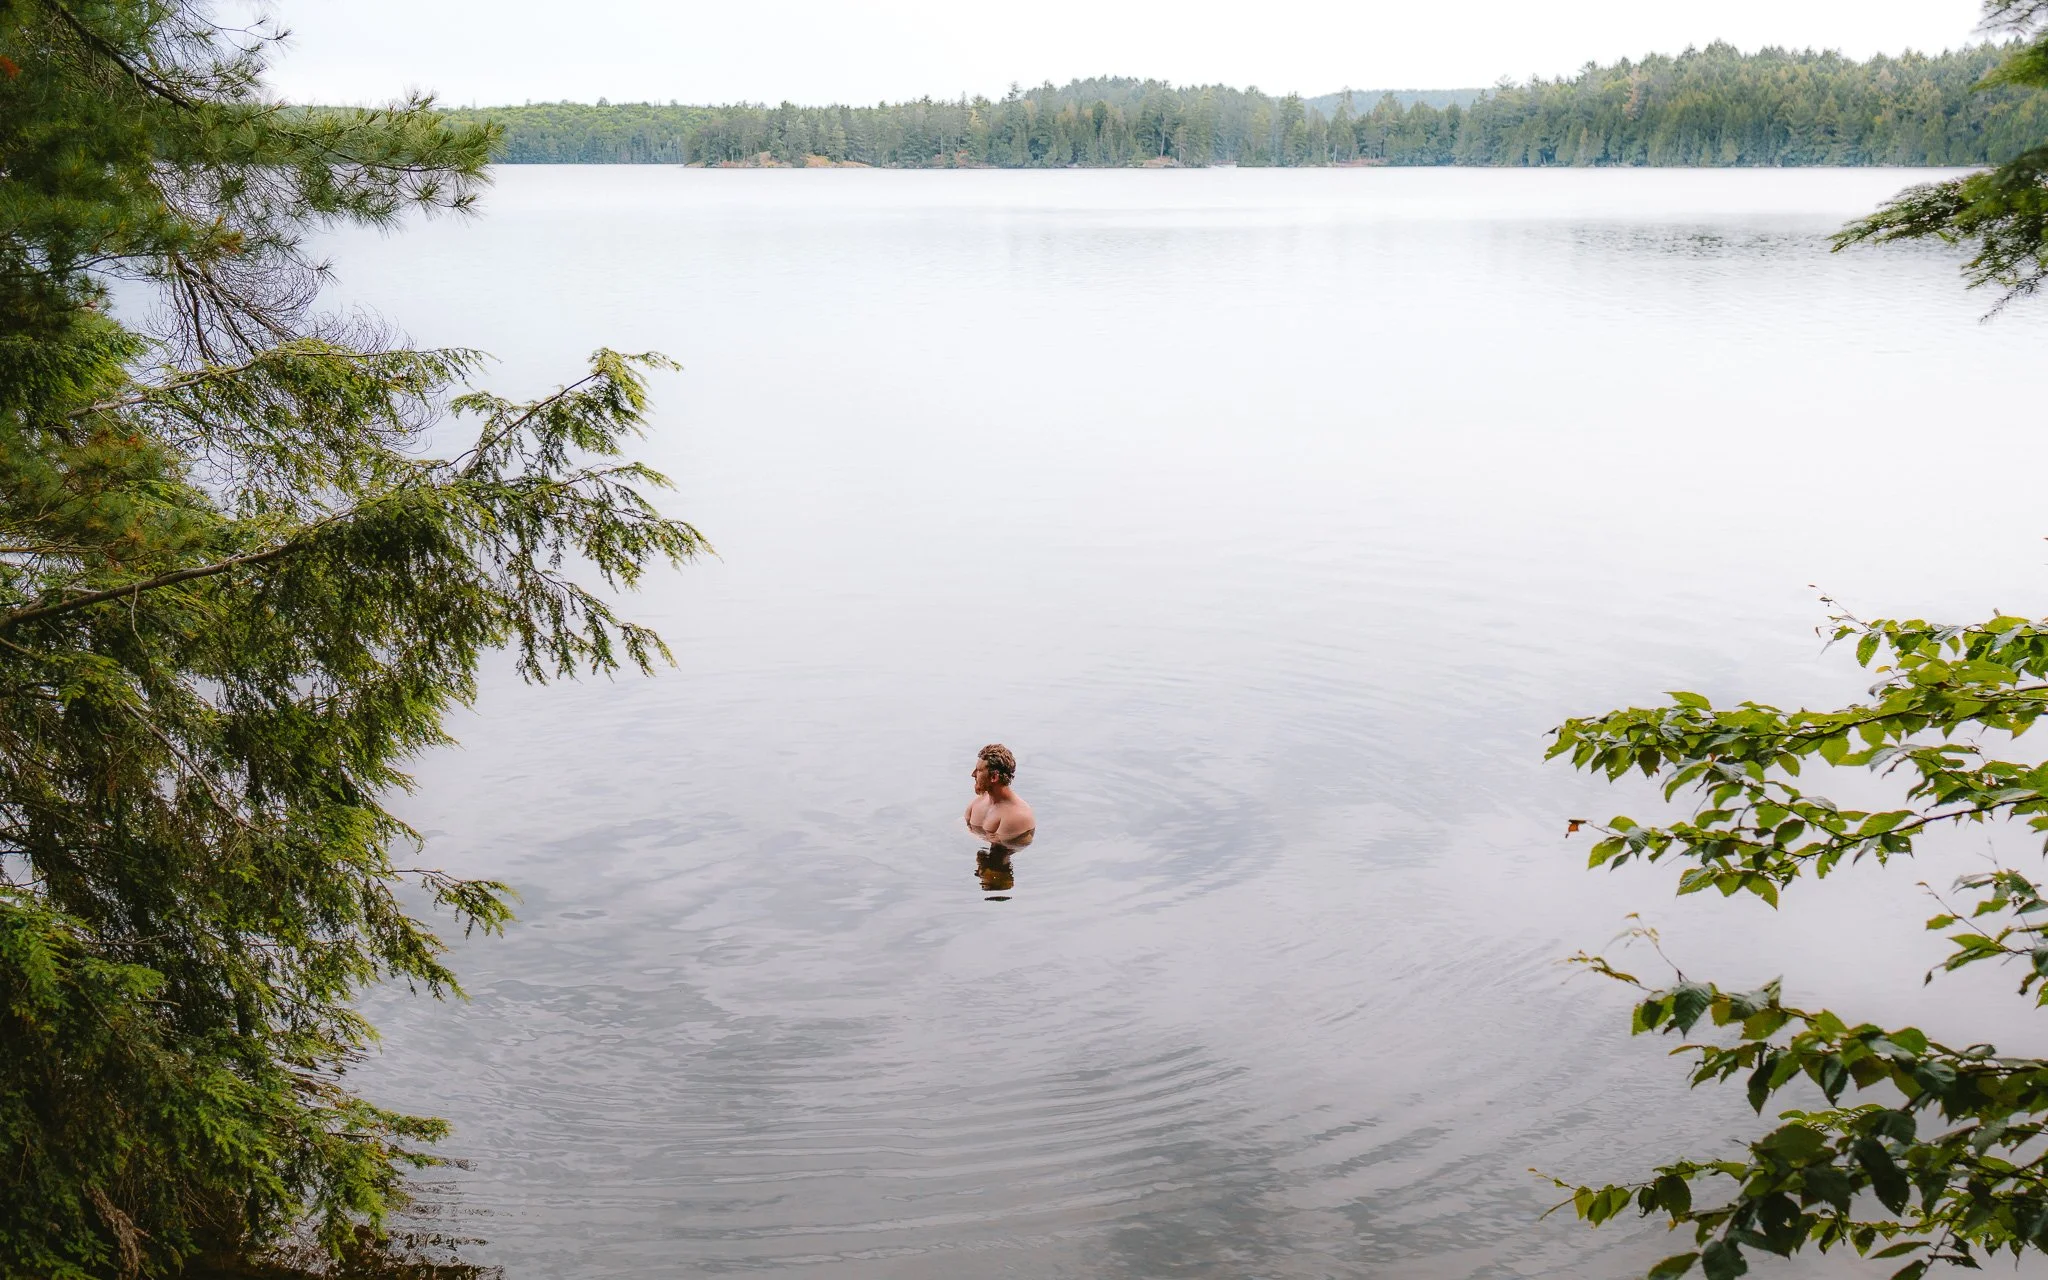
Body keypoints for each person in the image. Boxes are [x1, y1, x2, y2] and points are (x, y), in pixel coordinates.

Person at [965, 743, 1035, 847]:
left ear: (994, 777)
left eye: (979, 770)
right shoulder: (977, 802)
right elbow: (958, 825)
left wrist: (972, 834)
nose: (973, 774)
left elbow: (1003, 849)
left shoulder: (1017, 816)